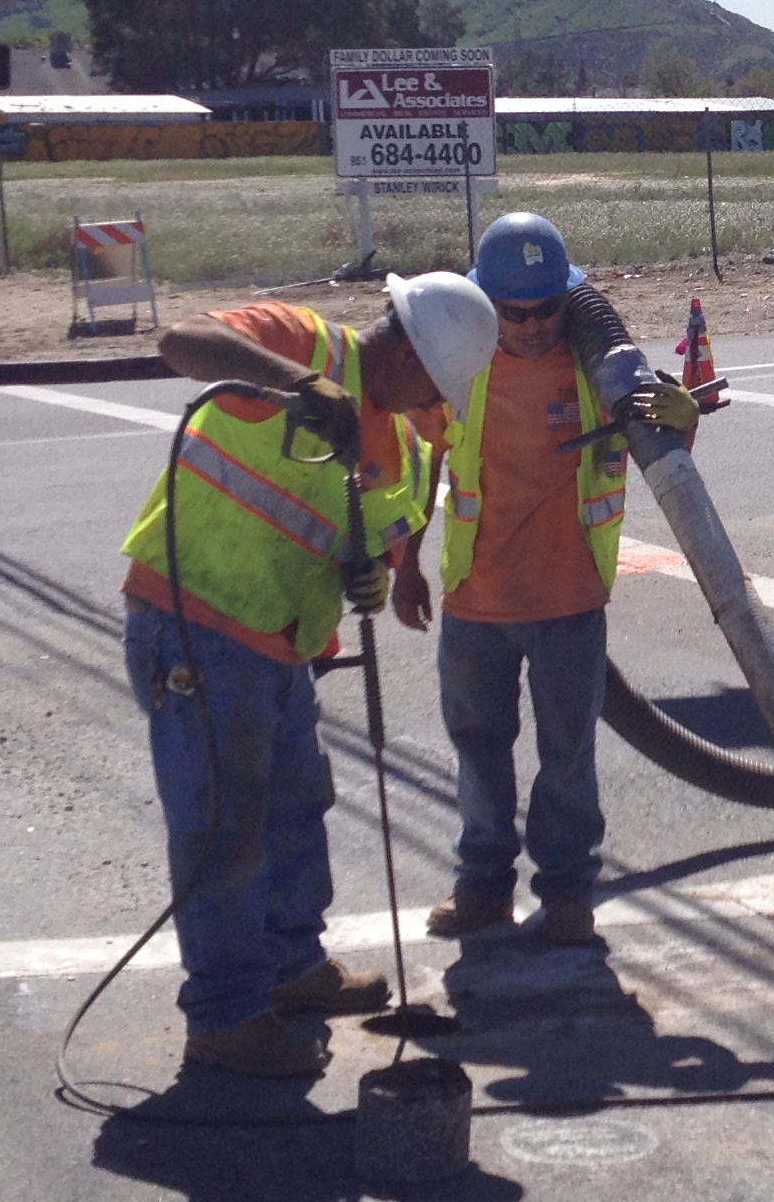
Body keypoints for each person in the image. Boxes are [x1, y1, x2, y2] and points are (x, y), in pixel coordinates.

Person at [127, 269, 503, 1079]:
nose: (430, 409)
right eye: (433, 388)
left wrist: (369, 573)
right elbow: (180, 342)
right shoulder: (304, 342)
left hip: (280, 647)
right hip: (195, 621)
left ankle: (293, 969)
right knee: (221, 827)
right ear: (403, 351)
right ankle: (226, 1016)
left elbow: (371, 541)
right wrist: (295, 382)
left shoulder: (397, 442)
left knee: (296, 806)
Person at [422, 211, 691, 948]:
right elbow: (421, 463)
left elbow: (657, 436)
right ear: (486, 304)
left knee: (566, 756)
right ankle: (482, 886)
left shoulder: (589, 361)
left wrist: (680, 419)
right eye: (517, 313)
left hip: (570, 596)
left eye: (546, 310)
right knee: (479, 749)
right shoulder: (458, 362)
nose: (535, 326)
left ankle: (568, 894)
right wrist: (401, 563)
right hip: (476, 598)